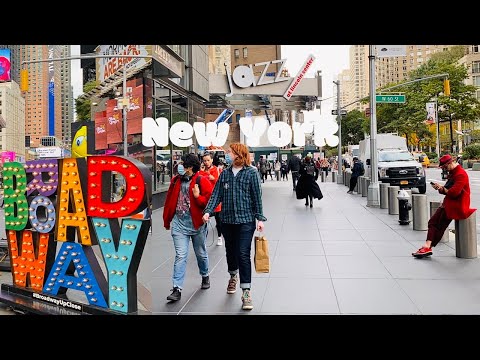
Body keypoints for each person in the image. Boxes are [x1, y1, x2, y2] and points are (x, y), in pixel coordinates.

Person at [202, 143, 267, 311]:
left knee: (243, 253)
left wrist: (260, 218)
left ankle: (246, 291)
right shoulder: (224, 174)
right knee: (230, 251)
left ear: (238, 154)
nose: (228, 154)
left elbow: (257, 197)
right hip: (227, 220)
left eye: (230, 152)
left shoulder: (252, 173)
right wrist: (208, 211)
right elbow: (216, 194)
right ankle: (233, 276)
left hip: (246, 220)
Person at [162, 153, 214, 301]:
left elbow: (210, 202)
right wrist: (167, 221)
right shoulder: (175, 181)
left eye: (182, 163)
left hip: (197, 224)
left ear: (189, 167)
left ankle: (205, 275)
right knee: (181, 255)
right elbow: (169, 201)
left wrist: (198, 197)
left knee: (200, 253)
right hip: (179, 225)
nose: (179, 165)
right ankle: (177, 288)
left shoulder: (201, 180)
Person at [412, 154, 476, 258]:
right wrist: (441, 188)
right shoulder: (454, 173)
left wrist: (441, 189)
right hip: (450, 203)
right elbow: (448, 190)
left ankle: (427, 246)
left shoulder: (460, 174)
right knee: (436, 223)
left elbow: (454, 192)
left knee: (436, 223)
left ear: (450, 163)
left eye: (445, 167)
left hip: (456, 205)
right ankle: (428, 246)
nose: (444, 169)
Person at [201, 152, 224, 246]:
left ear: (212, 160)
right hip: (205, 198)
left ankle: (219, 237)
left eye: (208, 160)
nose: (206, 162)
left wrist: (213, 178)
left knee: (218, 219)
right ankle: (203, 238)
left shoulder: (216, 170)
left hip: (216, 198)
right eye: (204, 160)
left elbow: (220, 181)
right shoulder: (202, 170)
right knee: (204, 219)